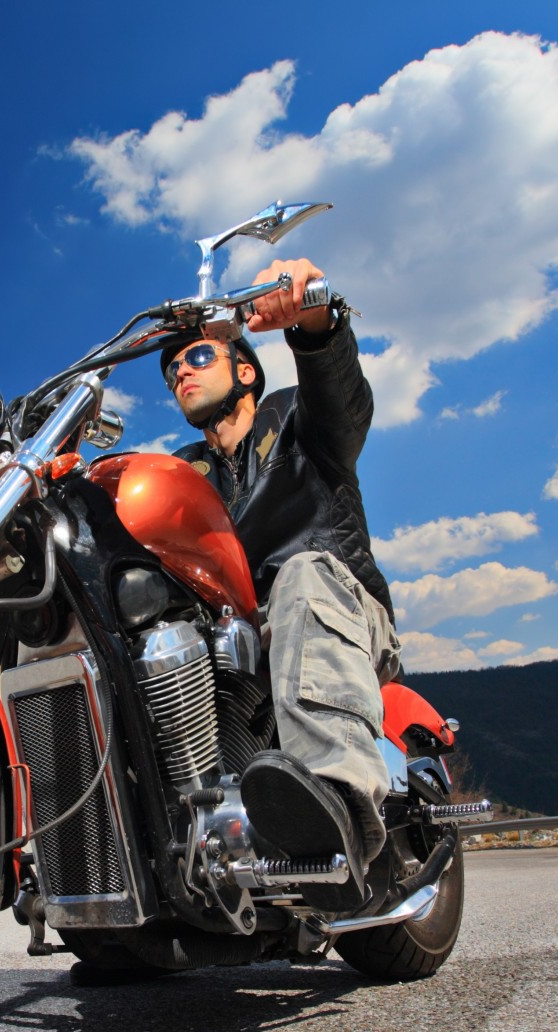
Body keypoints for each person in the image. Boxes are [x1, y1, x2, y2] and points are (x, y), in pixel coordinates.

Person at [162, 258, 399, 869]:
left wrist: (314, 315)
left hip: (339, 608)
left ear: (245, 370)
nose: (180, 371)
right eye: (171, 370)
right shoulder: (183, 474)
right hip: (239, 641)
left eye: (197, 358)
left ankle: (335, 804)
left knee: (301, 572)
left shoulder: (297, 416)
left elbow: (342, 399)